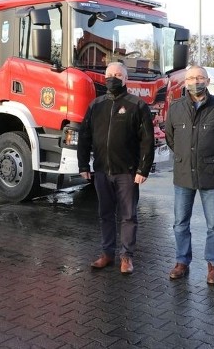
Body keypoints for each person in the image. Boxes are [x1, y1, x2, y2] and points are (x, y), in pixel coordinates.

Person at [165, 65, 214, 285]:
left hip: (211, 175)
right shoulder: (176, 108)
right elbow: (171, 139)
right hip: (183, 175)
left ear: (207, 82)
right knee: (180, 223)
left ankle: (213, 266)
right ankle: (182, 261)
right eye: (191, 78)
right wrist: (184, 158)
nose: (195, 81)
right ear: (185, 82)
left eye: (199, 77)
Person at [78, 62, 155, 275]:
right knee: (105, 214)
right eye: (110, 74)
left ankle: (127, 257)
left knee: (128, 216)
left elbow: (147, 141)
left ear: (125, 79)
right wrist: (83, 164)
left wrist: (143, 170)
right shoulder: (96, 105)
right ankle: (107, 254)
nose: (113, 78)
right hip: (102, 171)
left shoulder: (136, 105)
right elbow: (84, 136)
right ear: (104, 77)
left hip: (127, 172)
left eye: (118, 75)